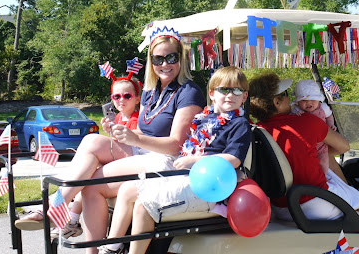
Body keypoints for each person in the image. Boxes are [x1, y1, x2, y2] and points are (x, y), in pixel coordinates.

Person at [15, 26, 206, 241]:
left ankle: (57, 209)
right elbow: (142, 131)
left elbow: (175, 145)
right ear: (151, 62)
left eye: (171, 57)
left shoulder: (188, 91)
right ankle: (56, 206)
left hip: (169, 160)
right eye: (158, 59)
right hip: (144, 152)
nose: (165, 64)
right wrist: (120, 133)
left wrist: (135, 138)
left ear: (181, 58)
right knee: (91, 141)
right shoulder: (151, 92)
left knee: (91, 185)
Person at [96, 66, 252, 254]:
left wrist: (194, 161)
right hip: (186, 176)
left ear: (244, 96)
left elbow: (233, 159)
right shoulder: (205, 118)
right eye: (224, 89)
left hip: (209, 186)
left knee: (145, 205)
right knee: (128, 189)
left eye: (237, 90)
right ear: (212, 94)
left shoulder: (239, 123)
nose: (230, 95)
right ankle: (112, 247)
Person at [249, 73, 359, 254]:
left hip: (280, 208)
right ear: (276, 102)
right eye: (287, 94)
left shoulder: (258, 131)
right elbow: (343, 146)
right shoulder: (307, 122)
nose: (291, 99)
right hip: (315, 203)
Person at [49, 75, 143, 239]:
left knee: (89, 171)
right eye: (116, 96)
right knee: (86, 175)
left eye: (127, 96)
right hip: (117, 162)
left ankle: (68, 214)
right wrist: (109, 131)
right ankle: (71, 217)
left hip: (130, 163)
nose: (121, 100)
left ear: (137, 99)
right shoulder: (118, 118)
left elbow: (131, 145)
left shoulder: (139, 119)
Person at [291, 79, 336, 175]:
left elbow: (329, 116)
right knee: (308, 162)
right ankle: (313, 175)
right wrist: (295, 115)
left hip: (322, 143)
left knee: (324, 161)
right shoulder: (296, 110)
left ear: (318, 99)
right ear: (298, 102)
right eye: (304, 101)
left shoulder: (323, 107)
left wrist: (331, 124)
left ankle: (323, 176)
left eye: (313, 99)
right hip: (306, 144)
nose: (309, 103)